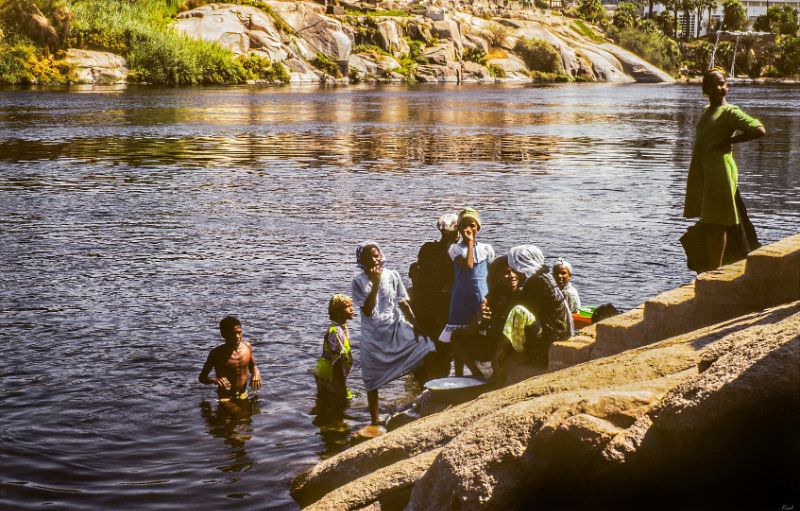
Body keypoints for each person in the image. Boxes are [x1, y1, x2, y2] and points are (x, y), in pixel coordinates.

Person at [683, 68, 766, 271]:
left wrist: (730, 141)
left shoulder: (730, 112)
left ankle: (715, 270)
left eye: (723, 83)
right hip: (706, 173)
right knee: (711, 220)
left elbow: (758, 129)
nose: (720, 87)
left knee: (717, 222)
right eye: (715, 84)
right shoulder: (707, 110)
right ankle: (713, 267)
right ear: (705, 89)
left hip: (720, 172)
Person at [352, 242, 436, 426]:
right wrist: (374, 284)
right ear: (362, 262)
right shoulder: (358, 282)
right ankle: (374, 421)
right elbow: (367, 310)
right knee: (371, 376)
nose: (375, 260)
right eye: (369, 258)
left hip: (395, 325)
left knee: (424, 349)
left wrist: (416, 326)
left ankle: (428, 398)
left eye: (376, 255)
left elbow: (403, 303)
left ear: (381, 256)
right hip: (373, 333)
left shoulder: (392, 275)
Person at [494, 245, 572, 379]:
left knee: (518, 312)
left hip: (552, 336)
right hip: (560, 331)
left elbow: (523, 308)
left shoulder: (537, 281)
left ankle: (504, 353)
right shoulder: (546, 276)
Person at [440, 208, 495, 375]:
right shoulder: (455, 249)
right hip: (462, 297)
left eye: (472, 226)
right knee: (458, 335)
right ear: (459, 229)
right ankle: (458, 373)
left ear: (478, 228)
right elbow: (469, 265)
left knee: (480, 331)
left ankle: (479, 370)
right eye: (464, 226)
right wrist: (470, 242)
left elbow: (487, 272)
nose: (469, 229)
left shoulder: (486, 248)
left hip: (481, 296)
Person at [451, 256, 523, 380]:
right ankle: (475, 375)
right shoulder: (493, 296)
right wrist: (479, 318)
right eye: (506, 273)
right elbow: (474, 328)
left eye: (514, 271)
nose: (512, 275)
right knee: (457, 335)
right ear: (498, 278)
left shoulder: (523, 294)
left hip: (512, 345)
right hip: (494, 342)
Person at [413, 213, 459, 377]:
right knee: (443, 348)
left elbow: (419, 274)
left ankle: (423, 383)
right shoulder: (456, 252)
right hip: (443, 306)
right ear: (457, 233)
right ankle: (440, 383)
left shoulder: (427, 249)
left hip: (424, 304)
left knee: (425, 344)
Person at [199, 316, 262, 402]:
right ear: (224, 334)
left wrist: (256, 373)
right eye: (233, 334)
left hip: (244, 395)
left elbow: (253, 365)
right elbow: (202, 378)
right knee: (238, 413)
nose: (237, 337)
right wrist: (215, 380)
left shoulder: (247, 347)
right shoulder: (216, 353)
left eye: (239, 332)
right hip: (225, 398)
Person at [315, 294, 355, 402]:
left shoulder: (341, 328)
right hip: (329, 375)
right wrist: (340, 386)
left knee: (332, 403)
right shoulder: (335, 332)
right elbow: (337, 362)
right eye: (347, 306)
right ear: (338, 311)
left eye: (352, 305)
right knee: (336, 403)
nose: (352, 309)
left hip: (331, 374)